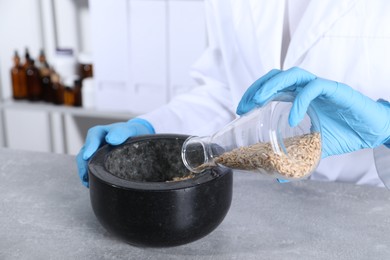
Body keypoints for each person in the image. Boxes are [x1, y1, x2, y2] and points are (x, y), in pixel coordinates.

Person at [77, 0, 390, 188]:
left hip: (372, 207)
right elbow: (227, 91)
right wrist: (149, 129)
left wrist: (387, 128)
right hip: (273, 209)